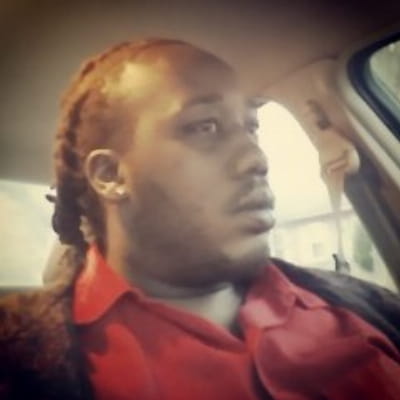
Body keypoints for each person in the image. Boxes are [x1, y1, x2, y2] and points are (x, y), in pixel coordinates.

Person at [1, 38, 400, 400]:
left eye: (251, 128)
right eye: (204, 126)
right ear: (110, 175)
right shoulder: (19, 363)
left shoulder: (362, 306)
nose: (256, 159)